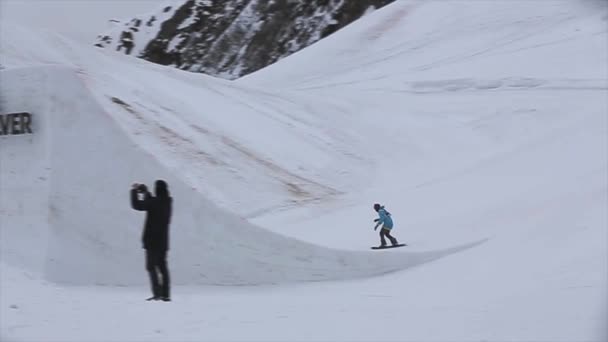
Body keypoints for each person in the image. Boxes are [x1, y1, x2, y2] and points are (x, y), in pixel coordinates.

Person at [131, 180, 172, 301]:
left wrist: (134, 191)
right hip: (163, 242)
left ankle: (157, 293)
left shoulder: (155, 202)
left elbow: (137, 205)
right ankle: (165, 294)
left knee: (151, 267)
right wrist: (146, 192)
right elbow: (152, 203)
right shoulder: (167, 202)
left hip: (152, 241)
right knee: (163, 268)